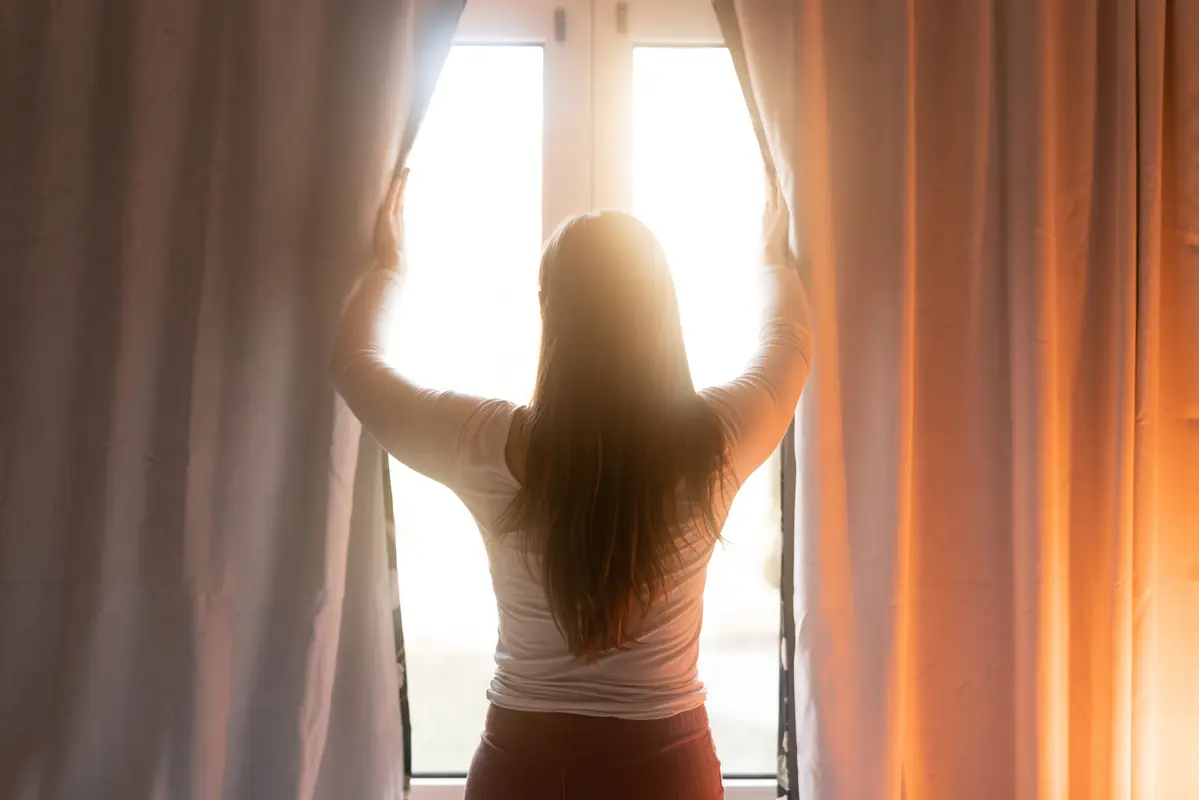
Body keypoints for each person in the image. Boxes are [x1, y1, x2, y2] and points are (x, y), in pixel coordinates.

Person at [330, 167, 812, 799]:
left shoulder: (488, 445)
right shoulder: (713, 443)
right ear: (663, 311)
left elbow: (354, 365)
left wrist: (388, 267)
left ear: (552, 316)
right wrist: (773, 260)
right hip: (665, 772)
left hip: (523, 769)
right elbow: (790, 344)